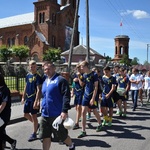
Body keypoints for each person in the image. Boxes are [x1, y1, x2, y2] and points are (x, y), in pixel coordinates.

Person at [38, 61, 75, 150]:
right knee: (45, 136)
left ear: (54, 68)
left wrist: (64, 110)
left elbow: (66, 96)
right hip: (45, 114)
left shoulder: (60, 80)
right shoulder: (45, 80)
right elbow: (44, 95)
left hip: (57, 115)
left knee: (62, 136)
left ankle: (71, 145)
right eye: (45, 69)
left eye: (49, 69)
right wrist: (38, 102)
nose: (47, 71)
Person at [77, 61, 102, 138]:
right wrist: (79, 77)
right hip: (85, 95)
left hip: (92, 96)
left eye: (81, 66)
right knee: (83, 112)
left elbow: (96, 87)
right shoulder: (84, 75)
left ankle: (100, 124)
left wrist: (93, 98)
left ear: (86, 66)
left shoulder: (94, 75)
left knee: (95, 111)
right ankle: (83, 131)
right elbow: (82, 84)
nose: (80, 68)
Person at [21, 60, 42, 141]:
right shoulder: (28, 76)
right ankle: (37, 125)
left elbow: (38, 90)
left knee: (34, 116)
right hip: (28, 99)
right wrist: (23, 97)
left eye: (33, 66)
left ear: (36, 67)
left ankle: (34, 133)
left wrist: (37, 101)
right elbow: (26, 86)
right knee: (25, 115)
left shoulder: (38, 77)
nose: (31, 68)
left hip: (34, 99)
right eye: (30, 66)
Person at [0, 74, 17, 150]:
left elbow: (3, 104)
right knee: (1, 130)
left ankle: (11, 141)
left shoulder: (5, 90)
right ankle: (5, 143)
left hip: (4, 115)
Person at [71, 64, 84, 130]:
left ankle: (77, 123)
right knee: (77, 108)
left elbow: (82, 85)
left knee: (79, 107)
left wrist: (79, 78)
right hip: (77, 93)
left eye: (79, 68)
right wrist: (72, 92)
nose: (78, 69)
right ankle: (80, 118)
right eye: (77, 68)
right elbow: (73, 84)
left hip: (82, 93)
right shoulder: (75, 75)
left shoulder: (83, 75)